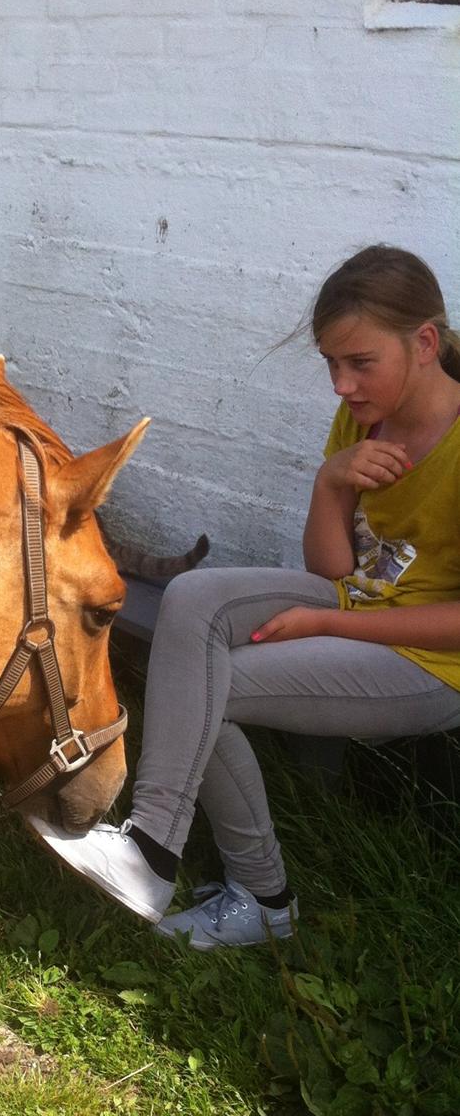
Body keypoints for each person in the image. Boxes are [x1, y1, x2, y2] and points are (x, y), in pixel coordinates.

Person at [32, 245, 460, 949]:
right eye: (330, 363)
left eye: (359, 363)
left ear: (424, 343)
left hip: (430, 662)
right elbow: (332, 565)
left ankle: (258, 893)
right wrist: (333, 481)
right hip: (359, 604)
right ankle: (153, 847)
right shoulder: (367, 415)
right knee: (193, 598)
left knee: (210, 687)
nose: (341, 385)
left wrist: (326, 622)